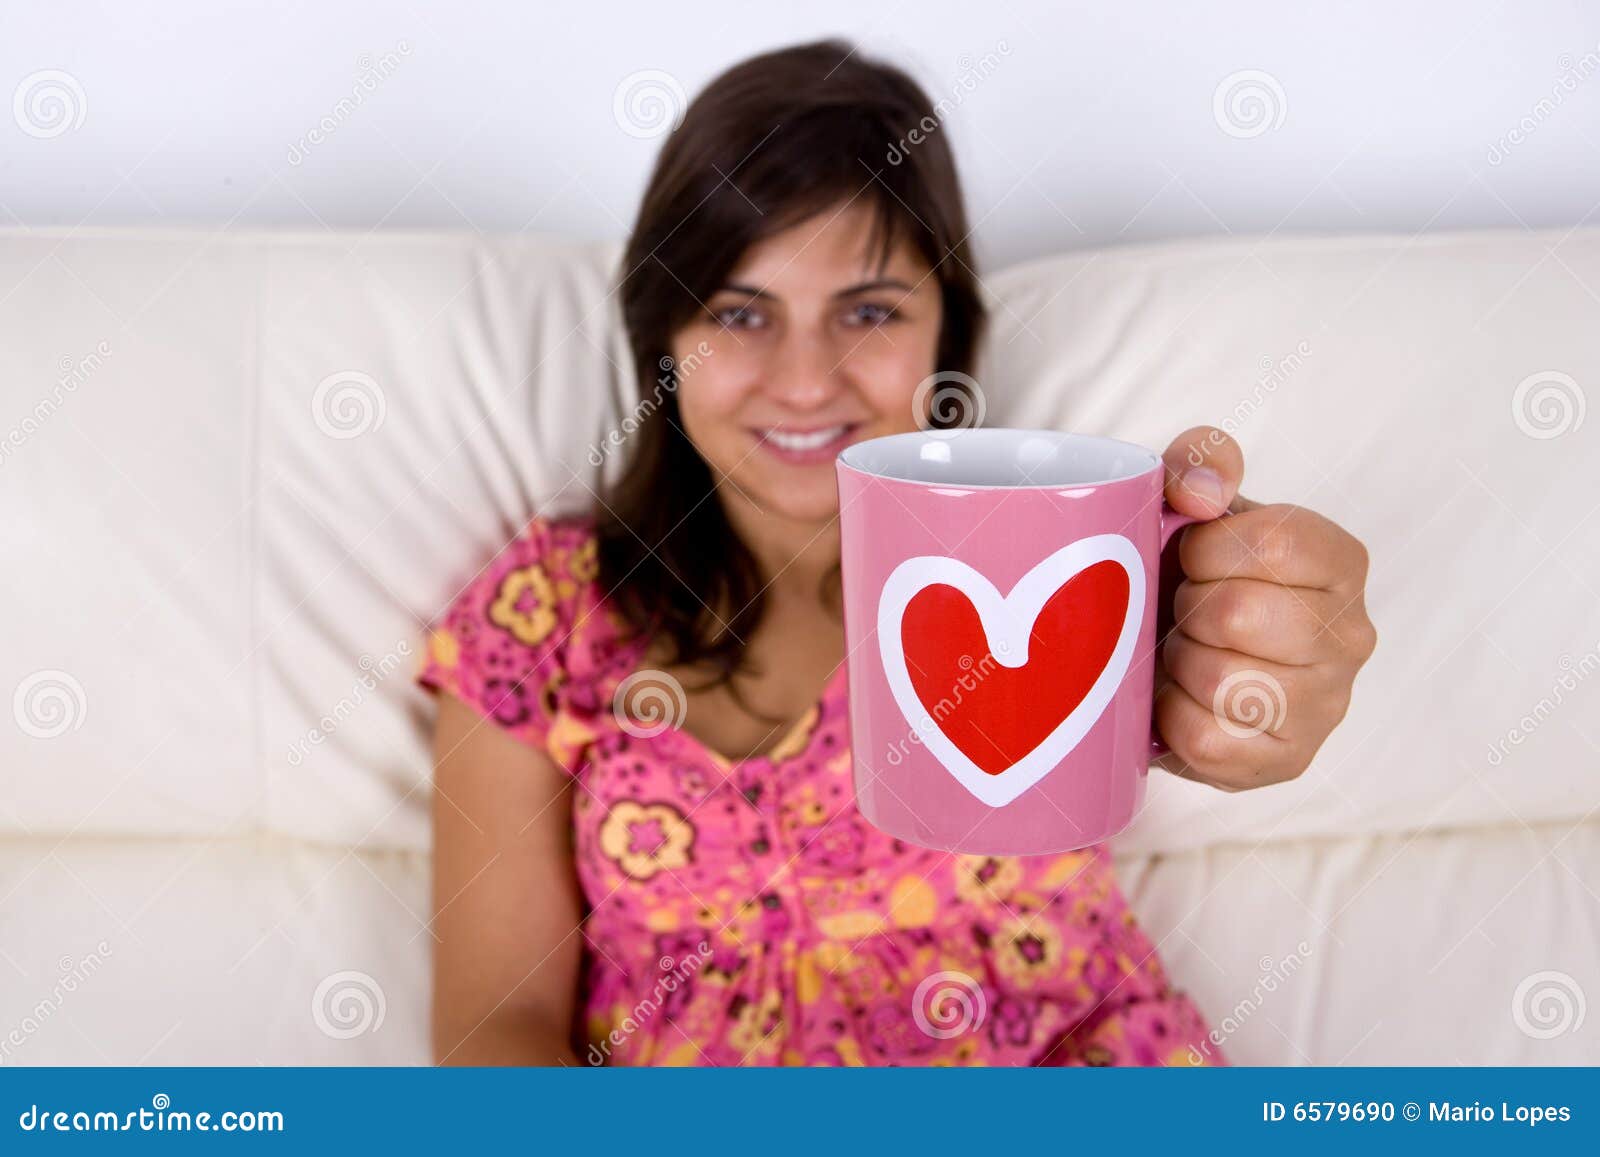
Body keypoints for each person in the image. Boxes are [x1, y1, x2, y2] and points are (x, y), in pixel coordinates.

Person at [418, 39, 1376, 1066]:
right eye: (738, 313)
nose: (803, 380)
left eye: (869, 310)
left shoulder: (1054, 553)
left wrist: (1249, 653)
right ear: (663, 337)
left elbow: (1223, 674)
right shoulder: (545, 612)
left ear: (945, 337)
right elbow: (494, 1030)